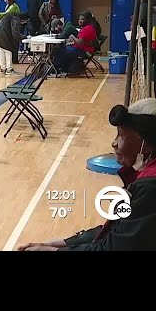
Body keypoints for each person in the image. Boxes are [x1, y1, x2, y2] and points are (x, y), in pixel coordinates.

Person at [18, 97, 156, 251]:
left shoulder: (149, 188)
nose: (114, 143)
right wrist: (60, 244)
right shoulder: (146, 178)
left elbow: (112, 246)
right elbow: (116, 231)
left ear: (146, 143)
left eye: (121, 135)